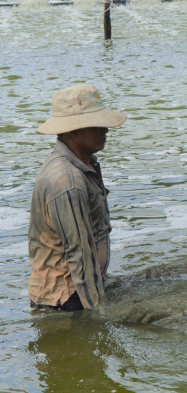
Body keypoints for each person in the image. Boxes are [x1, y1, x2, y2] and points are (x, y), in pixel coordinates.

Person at [28, 84, 127, 310]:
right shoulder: (68, 182)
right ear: (73, 130)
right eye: (97, 125)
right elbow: (80, 257)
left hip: (76, 290)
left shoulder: (82, 164)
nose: (106, 131)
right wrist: (97, 313)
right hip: (68, 298)